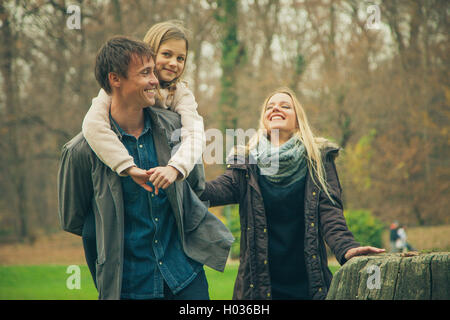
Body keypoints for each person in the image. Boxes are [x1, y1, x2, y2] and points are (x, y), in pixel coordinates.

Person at [57, 36, 233, 300]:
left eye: (153, 71)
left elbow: (194, 188)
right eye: (145, 73)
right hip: (128, 286)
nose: (156, 80)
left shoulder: (178, 131)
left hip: (185, 279)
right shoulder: (81, 151)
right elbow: (76, 219)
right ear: (115, 79)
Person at [200, 87, 385, 300]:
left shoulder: (318, 160)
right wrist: (177, 172)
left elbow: (331, 215)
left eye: (285, 106)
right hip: (258, 290)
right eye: (270, 107)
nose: (276, 108)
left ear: (298, 120)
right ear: (265, 120)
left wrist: (347, 248)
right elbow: (211, 192)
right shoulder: (246, 163)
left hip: (308, 287)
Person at [82, 20, 205, 195]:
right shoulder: (118, 87)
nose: (173, 63)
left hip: (164, 171)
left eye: (180, 58)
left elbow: (195, 133)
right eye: (167, 54)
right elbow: (93, 125)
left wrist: (176, 167)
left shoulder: (179, 93)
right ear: (150, 53)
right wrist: (126, 166)